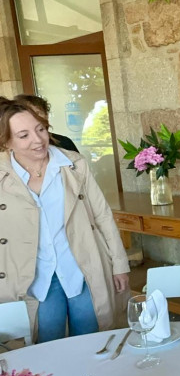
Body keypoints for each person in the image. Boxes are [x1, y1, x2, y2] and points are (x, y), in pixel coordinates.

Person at [0, 99, 129, 342]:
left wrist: (119, 263)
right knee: (45, 346)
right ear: (7, 142)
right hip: (34, 277)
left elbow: (102, 215)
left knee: (92, 340)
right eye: (24, 135)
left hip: (81, 267)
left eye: (40, 129)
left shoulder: (74, 164)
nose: (38, 140)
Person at [13, 94, 79, 153]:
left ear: (46, 115)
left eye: (37, 113)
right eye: (29, 114)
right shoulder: (13, 145)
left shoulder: (64, 143)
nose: (34, 118)